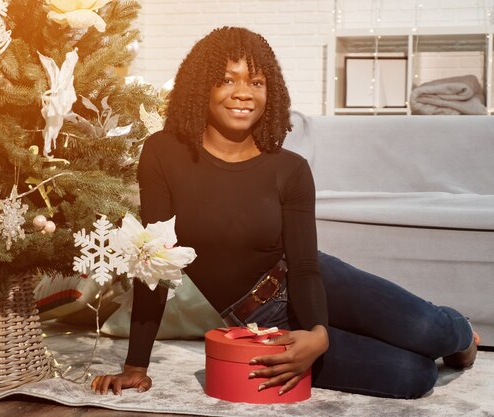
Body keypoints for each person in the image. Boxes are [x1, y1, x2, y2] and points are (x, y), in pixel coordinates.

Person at [91, 26, 479, 399]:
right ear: (202, 87)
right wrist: (136, 366)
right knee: (413, 376)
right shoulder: (164, 153)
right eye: (228, 80)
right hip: (262, 320)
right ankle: (417, 343)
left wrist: (318, 331)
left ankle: (464, 337)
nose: (244, 93)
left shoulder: (288, 168)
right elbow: (153, 265)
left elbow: (305, 264)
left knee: (430, 329)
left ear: (270, 93)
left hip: (317, 281)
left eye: (256, 83)